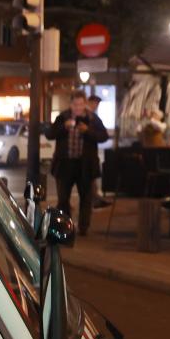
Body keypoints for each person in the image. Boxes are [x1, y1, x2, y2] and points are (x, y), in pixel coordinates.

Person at [49, 91, 109, 235]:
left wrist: (88, 130)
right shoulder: (63, 117)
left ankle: (83, 227)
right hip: (65, 164)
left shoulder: (92, 119)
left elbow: (104, 136)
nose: (78, 107)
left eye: (81, 104)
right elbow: (50, 134)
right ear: (71, 104)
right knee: (63, 199)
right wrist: (64, 126)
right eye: (75, 104)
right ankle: (65, 227)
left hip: (85, 165)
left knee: (86, 198)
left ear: (85, 104)